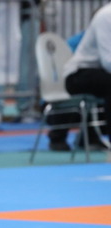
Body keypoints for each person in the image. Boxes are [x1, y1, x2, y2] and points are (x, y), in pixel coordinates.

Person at [46, 30, 106, 152]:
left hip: (85, 94)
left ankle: (89, 137)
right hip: (58, 99)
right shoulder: (80, 42)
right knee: (84, 88)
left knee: (101, 90)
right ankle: (57, 136)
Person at [62, 3, 111, 149]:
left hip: (101, 73)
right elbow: (108, 61)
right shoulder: (106, 16)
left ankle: (88, 136)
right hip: (78, 75)